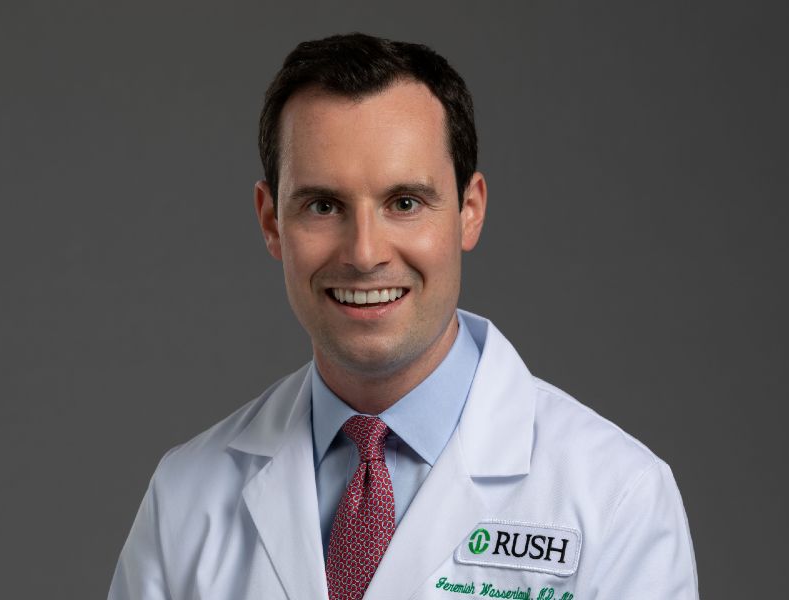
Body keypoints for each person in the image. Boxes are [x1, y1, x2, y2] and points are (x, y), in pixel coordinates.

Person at [108, 33, 699, 600]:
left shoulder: (617, 499)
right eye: (323, 205)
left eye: (405, 203)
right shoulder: (184, 497)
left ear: (469, 210)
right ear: (271, 223)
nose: (365, 254)